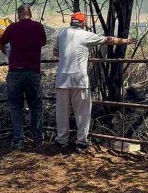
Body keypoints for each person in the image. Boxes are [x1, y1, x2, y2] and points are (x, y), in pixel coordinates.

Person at [53, 12, 136, 152]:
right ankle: (81, 142)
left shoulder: (62, 34)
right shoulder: (86, 35)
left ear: (71, 22)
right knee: (82, 112)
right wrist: (126, 41)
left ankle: (62, 140)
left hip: (62, 79)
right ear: (82, 23)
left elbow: (56, 53)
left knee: (61, 112)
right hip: (79, 79)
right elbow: (109, 40)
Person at [0, 4, 47, 150]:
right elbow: (43, 42)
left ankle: (18, 141)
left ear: (18, 15)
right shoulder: (38, 27)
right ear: (30, 14)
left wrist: (9, 55)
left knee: (16, 108)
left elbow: (0, 44)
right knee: (36, 107)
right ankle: (38, 141)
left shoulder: (12, 28)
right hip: (32, 72)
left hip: (15, 73)